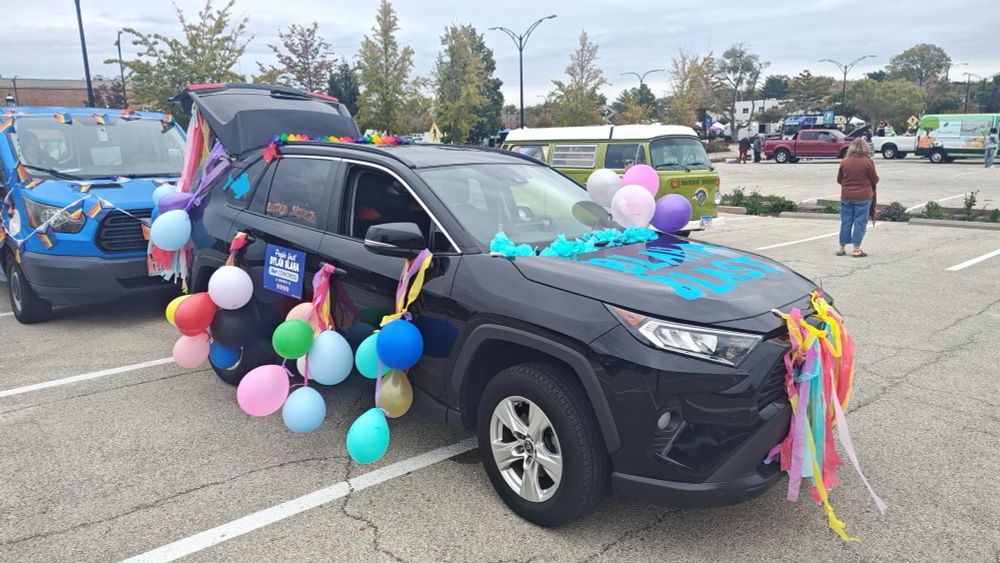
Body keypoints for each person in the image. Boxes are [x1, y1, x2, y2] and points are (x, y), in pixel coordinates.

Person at [836, 138, 878, 258]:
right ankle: (856, 249)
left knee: (846, 221)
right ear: (865, 148)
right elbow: (874, 179)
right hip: (863, 196)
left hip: (846, 196)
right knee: (860, 222)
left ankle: (841, 247)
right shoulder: (868, 162)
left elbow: (839, 179)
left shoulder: (844, 161)